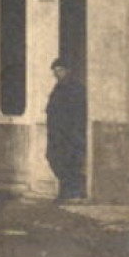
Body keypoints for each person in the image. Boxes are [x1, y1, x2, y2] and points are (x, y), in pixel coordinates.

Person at [45, 58, 87, 202]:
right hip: (56, 133)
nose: (57, 74)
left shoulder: (76, 88)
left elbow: (79, 112)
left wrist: (75, 133)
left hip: (70, 134)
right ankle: (68, 191)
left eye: (60, 71)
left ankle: (71, 192)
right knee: (53, 158)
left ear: (68, 71)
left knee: (70, 162)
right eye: (55, 71)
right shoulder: (58, 88)